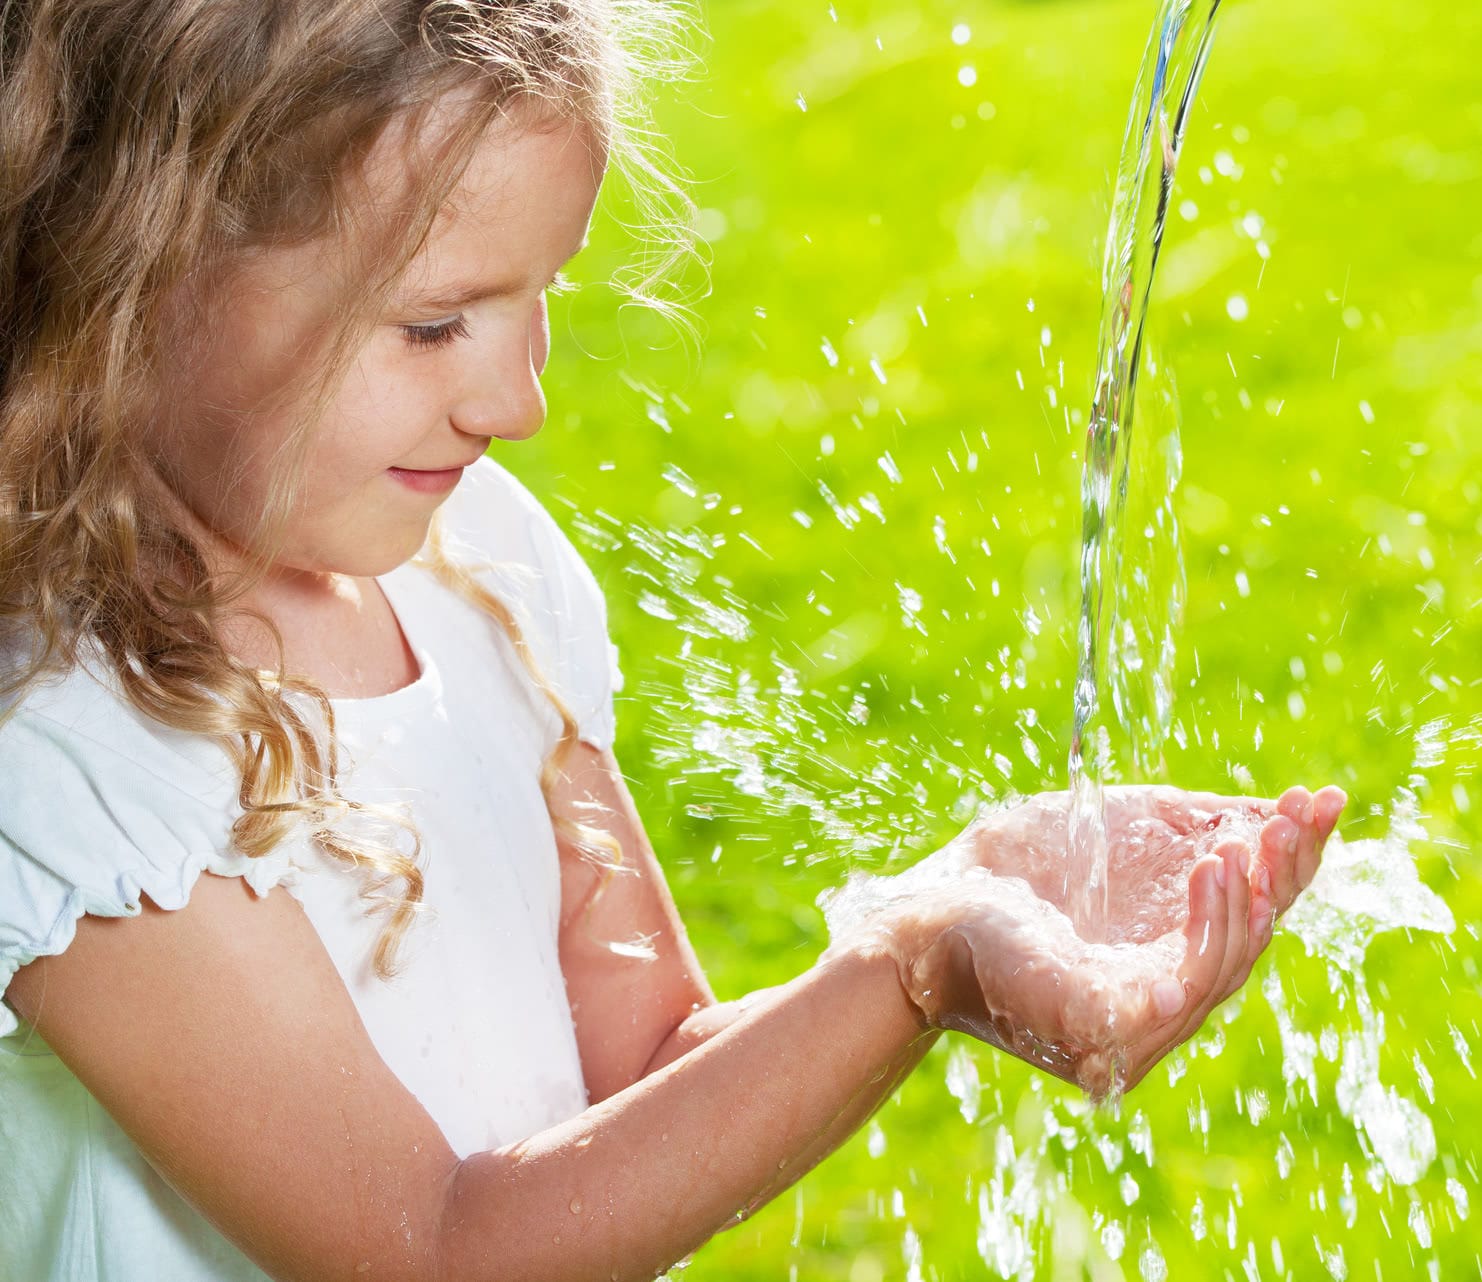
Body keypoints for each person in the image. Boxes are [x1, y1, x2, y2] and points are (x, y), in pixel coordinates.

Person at [0, 3, 1346, 1280]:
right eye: (432, 325)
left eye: (544, 297)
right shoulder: (68, 740)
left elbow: (649, 1075)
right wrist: (914, 964)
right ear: (134, 272)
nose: (514, 401)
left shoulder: (481, 569)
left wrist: (953, 892)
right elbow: (428, 1245)